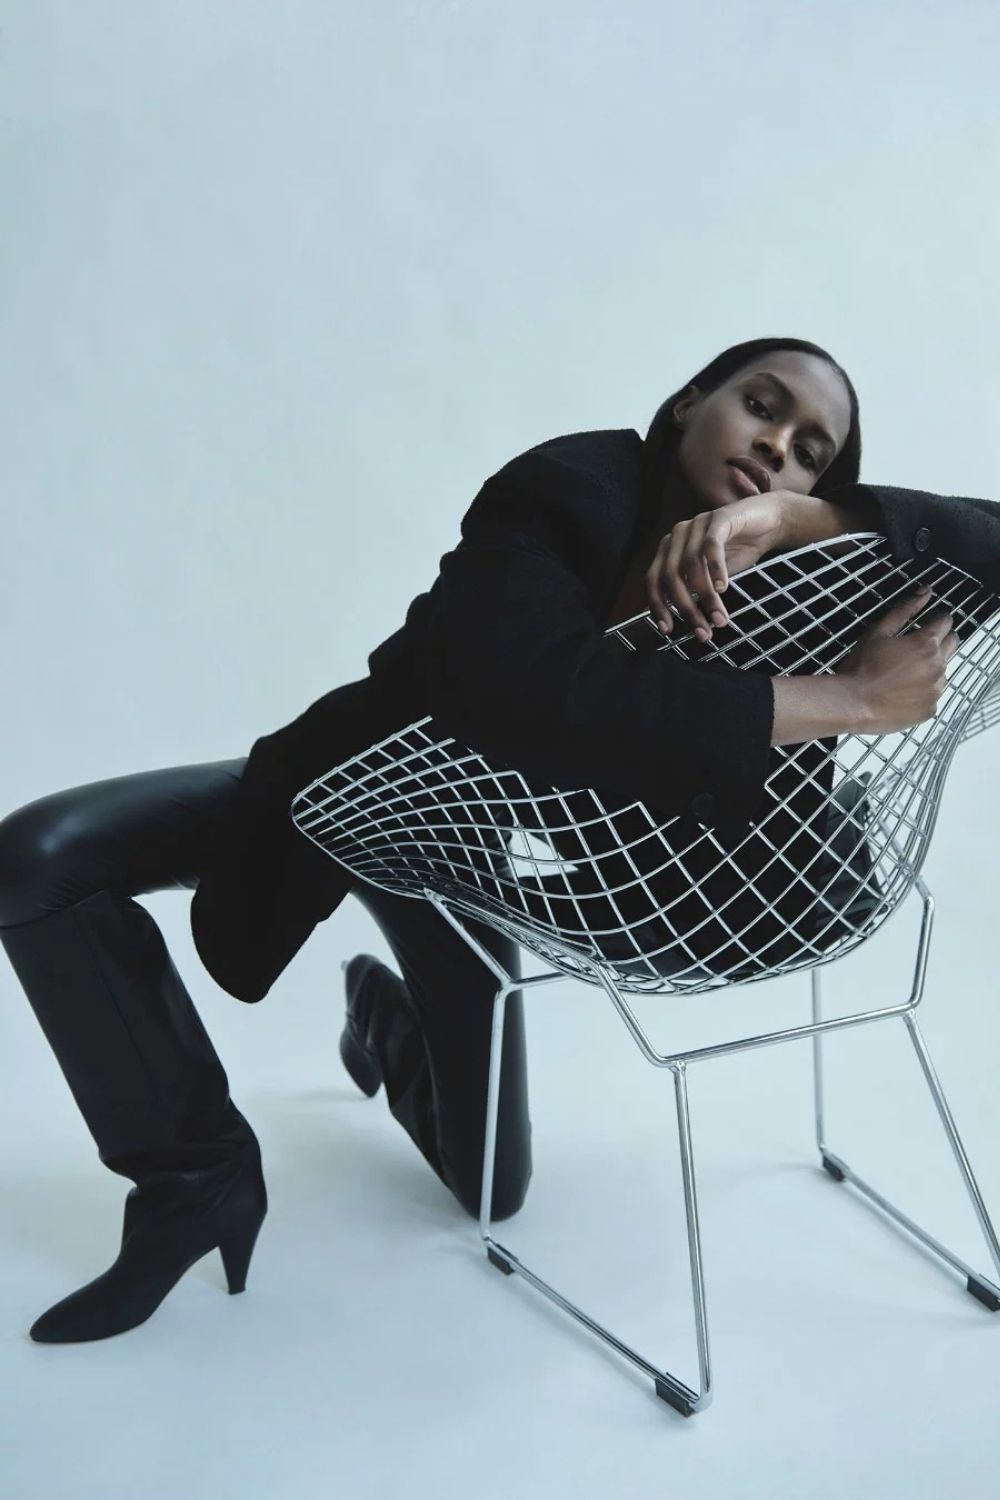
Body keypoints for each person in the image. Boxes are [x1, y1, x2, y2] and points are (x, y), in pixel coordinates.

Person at [2, 335, 997, 1347]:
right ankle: (194, 1177)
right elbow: (526, 690)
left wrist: (800, 519)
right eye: (761, 405)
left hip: (487, 861)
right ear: (688, 402)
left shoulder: (809, 570)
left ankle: (382, 1022)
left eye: (810, 452)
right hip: (373, 788)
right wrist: (851, 700)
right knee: (37, 862)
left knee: (491, 1190)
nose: (777, 444)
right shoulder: (569, 486)